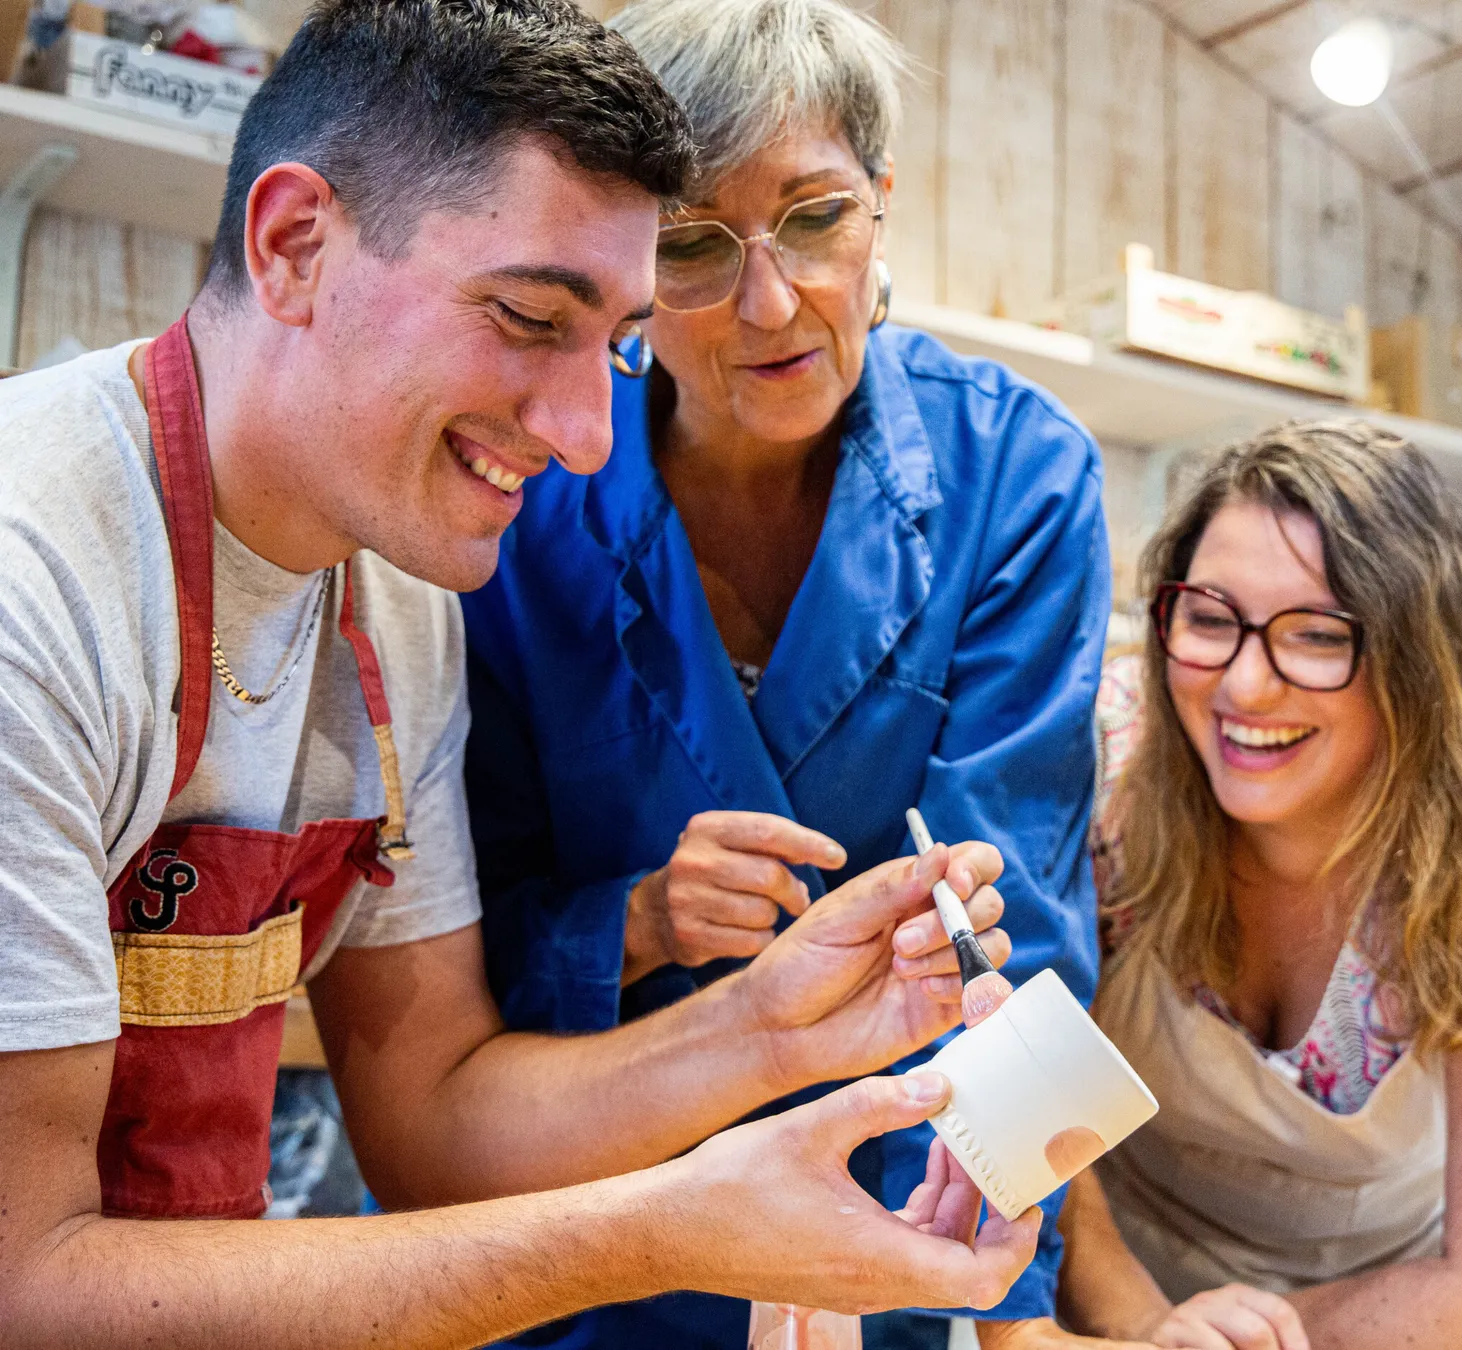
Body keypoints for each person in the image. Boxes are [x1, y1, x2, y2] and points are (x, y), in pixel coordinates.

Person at [0, 2, 1045, 1344]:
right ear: (296, 245)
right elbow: (25, 1283)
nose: (590, 438)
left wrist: (771, 1030)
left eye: (612, 340)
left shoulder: (397, 593)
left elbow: (435, 1126)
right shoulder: (38, 577)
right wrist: (665, 1225)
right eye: (529, 316)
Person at [460, 2, 1110, 1346]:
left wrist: (1006, 1299)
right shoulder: (521, 499)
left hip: (895, 1229)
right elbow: (438, 962)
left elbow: (1023, 933)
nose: (771, 304)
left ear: (881, 204)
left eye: (815, 220)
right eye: (695, 247)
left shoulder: (1018, 476)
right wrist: (637, 919)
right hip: (576, 1240)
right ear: (627, 264)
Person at [1049, 422, 1462, 1350]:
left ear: (1421, 662)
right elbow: (1015, 1076)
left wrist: (1226, 1343)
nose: (1246, 685)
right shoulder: (1107, 765)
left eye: (1317, 636)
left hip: (1410, 1324)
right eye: (1210, 620)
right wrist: (1141, 1324)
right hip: (1104, 1304)